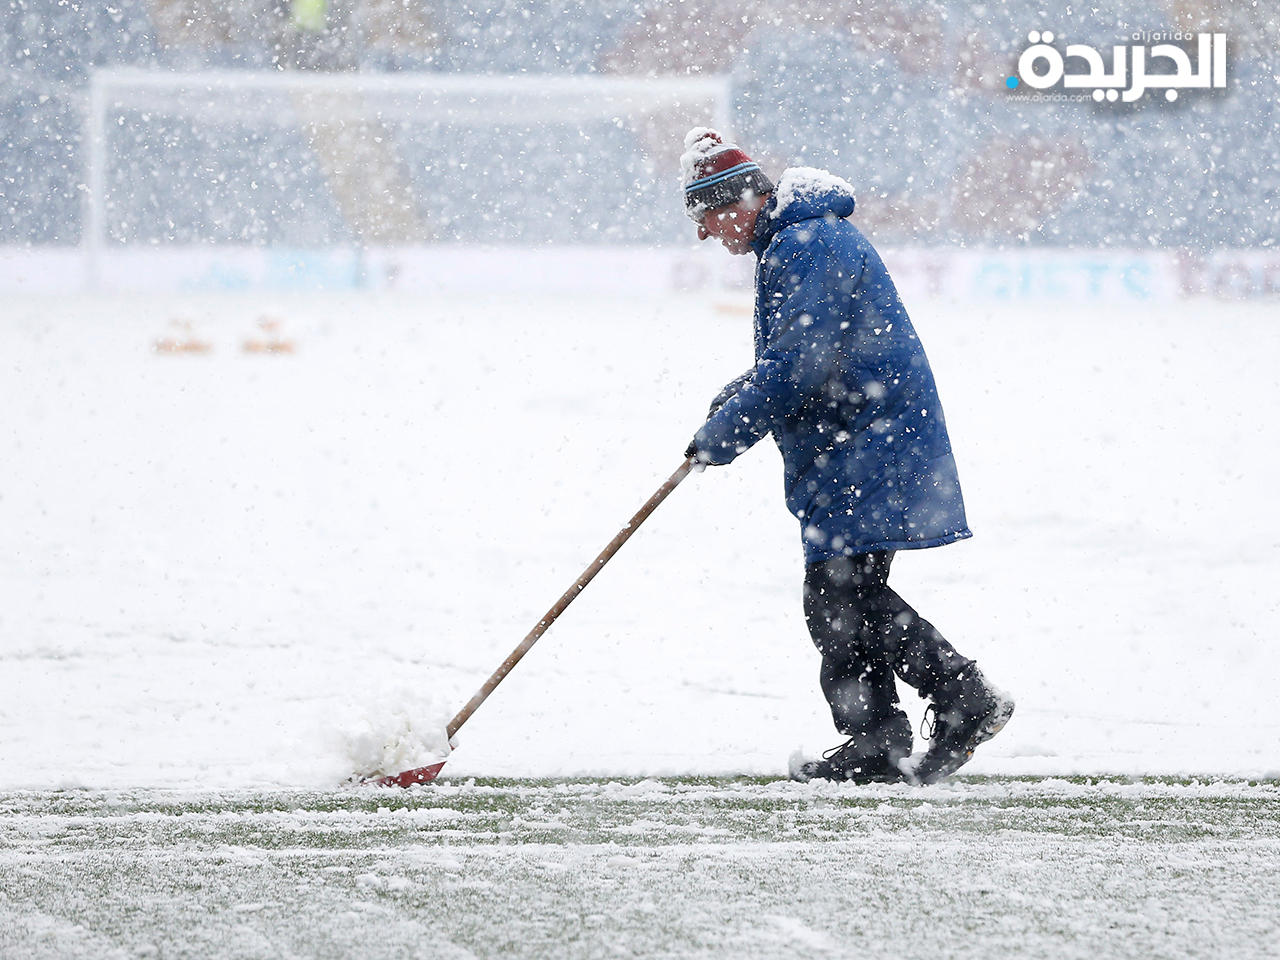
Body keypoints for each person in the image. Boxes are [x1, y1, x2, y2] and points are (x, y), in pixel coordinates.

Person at [680, 128, 1013, 785]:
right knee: (841, 594)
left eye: (704, 217)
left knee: (840, 595)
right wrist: (736, 399)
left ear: (735, 201)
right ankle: (881, 738)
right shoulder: (795, 242)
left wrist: (727, 434)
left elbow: (800, 368)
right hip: (859, 440)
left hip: (867, 441)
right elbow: (790, 362)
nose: (705, 235)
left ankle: (956, 700)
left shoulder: (805, 243)